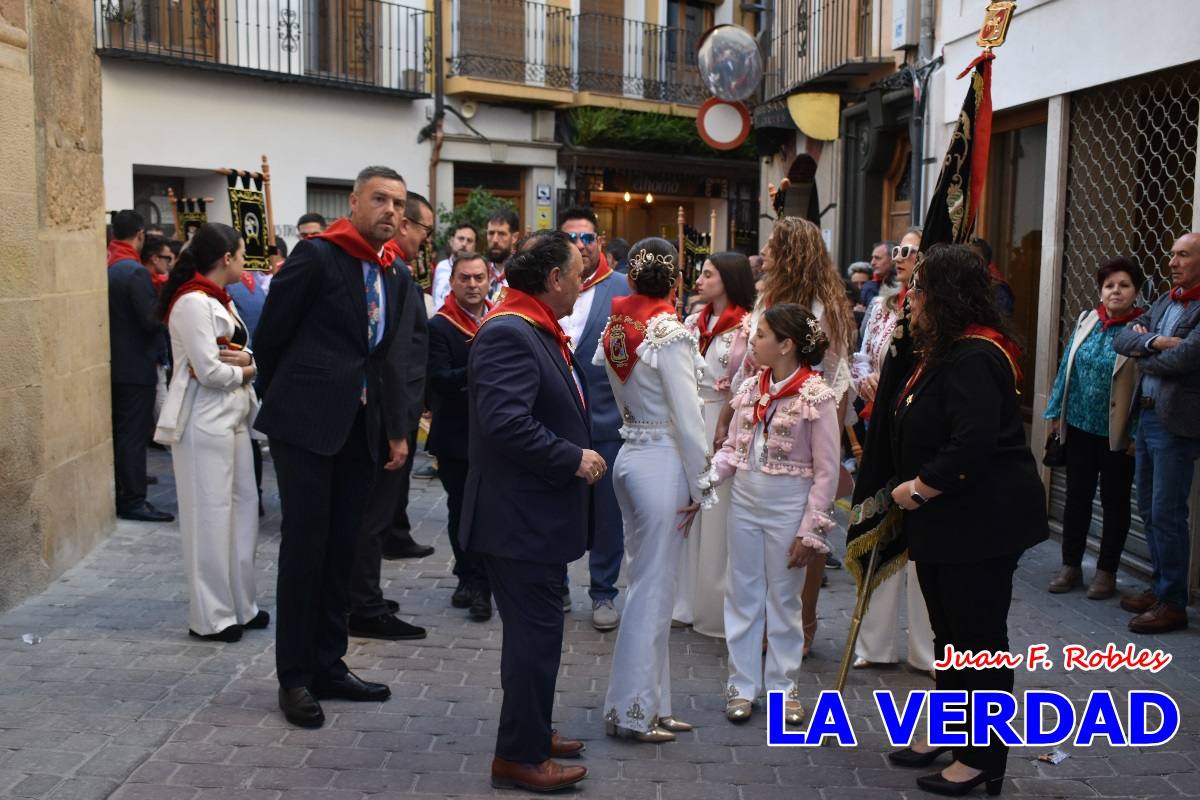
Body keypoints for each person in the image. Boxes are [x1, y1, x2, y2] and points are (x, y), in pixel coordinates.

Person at [253, 166, 419, 729]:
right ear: (354, 201)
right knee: (305, 549)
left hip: (361, 430)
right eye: (379, 199)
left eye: (398, 203)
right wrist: (291, 404)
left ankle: (329, 662)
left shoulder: (394, 273)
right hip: (306, 427)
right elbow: (270, 338)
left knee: (342, 547)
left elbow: (386, 358)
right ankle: (294, 677)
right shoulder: (318, 256)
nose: (390, 211)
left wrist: (396, 428)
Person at [883, 245, 1047, 797]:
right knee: (950, 637)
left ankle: (982, 759)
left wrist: (919, 487)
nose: (913, 299)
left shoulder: (977, 354)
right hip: (946, 523)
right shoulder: (947, 349)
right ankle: (957, 735)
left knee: (977, 641)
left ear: (946, 297)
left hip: (979, 522)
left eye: (922, 290)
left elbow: (972, 442)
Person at [461, 231, 593, 792]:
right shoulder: (510, 333)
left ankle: (533, 731)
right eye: (579, 271)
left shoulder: (528, 325)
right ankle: (518, 755)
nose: (584, 282)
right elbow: (506, 424)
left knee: (537, 636)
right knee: (534, 639)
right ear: (553, 279)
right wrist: (572, 458)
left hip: (532, 514)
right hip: (518, 518)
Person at [721, 216, 856, 655]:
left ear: (793, 254)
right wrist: (733, 409)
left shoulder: (822, 306)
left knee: (808, 520)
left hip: (806, 418)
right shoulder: (768, 297)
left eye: (776, 246)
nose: (768, 253)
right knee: (763, 531)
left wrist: (828, 435)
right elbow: (749, 364)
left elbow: (834, 374)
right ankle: (764, 619)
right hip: (760, 414)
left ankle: (804, 618)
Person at [598, 238, 713, 743]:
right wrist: (703, 484)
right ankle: (632, 711)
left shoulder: (617, 324)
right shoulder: (670, 331)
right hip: (663, 459)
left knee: (650, 586)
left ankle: (653, 703)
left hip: (630, 453)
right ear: (675, 280)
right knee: (652, 591)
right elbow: (690, 419)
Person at [708, 303, 840, 725]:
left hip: (788, 506)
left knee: (784, 600)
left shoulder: (816, 396)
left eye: (762, 335)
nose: (753, 341)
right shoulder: (749, 389)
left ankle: (784, 687)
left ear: (786, 345)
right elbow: (733, 449)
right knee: (742, 594)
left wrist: (811, 530)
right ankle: (741, 684)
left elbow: (827, 472)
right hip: (745, 503)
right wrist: (707, 480)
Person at [153, 223, 266, 643]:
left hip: (232, 415)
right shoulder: (192, 303)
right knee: (208, 517)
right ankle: (211, 616)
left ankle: (241, 604)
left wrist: (242, 362)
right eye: (240, 254)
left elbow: (239, 353)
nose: (244, 262)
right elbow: (211, 369)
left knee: (242, 508)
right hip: (203, 418)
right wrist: (248, 369)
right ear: (225, 259)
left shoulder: (220, 299)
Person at [346, 191, 433, 642]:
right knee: (373, 515)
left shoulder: (396, 271)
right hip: (387, 415)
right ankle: (363, 604)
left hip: (396, 409)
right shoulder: (391, 273)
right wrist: (399, 427)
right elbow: (396, 356)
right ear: (404, 227)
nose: (425, 238)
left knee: (372, 513)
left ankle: (361, 592)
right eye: (423, 229)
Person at [849, 226, 934, 675]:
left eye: (910, 251)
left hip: (919, 434)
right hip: (880, 428)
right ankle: (876, 642)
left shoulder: (937, 315)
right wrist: (865, 380)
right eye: (897, 249)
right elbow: (863, 355)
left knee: (922, 540)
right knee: (878, 524)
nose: (900, 256)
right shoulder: (883, 308)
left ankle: (926, 648)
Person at [1113, 232, 1200, 634]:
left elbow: (1185, 358)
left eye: (1182, 255)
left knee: (1167, 512)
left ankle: (1173, 602)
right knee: (1148, 508)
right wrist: (1154, 341)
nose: (1172, 262)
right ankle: (1160, 584)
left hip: (1175, 423)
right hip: (1146, 418)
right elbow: (1122, 337)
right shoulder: (1167, 299)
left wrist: (1144, 354)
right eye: (1172, 255)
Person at [1044, 257, 1143, 599]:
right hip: (1080, 426)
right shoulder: (1087, 320)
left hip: (1118, 433)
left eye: (1124, 285)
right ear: (1101, 292)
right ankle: (1070, 565)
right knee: (1077, 499)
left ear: (1136, 292)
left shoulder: (1142, 329)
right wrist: (1056, 412)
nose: (1116, 291)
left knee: (1115, 503)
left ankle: (1106, 572)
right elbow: (1065, 367)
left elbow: (1146, 386)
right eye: (1109, 285)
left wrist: (1136, 432)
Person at [558, 207, 633, 630]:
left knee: (607, 516)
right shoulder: (546, 284)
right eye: (572, 238)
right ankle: (557, 585)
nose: (581, 247)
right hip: (557, 422)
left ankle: (603, 591)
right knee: (557, 508)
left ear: (600, 242)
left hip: (606, 422)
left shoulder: (622, 289)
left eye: (587, 238)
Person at [673, 252, 755, 637]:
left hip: (725, 420)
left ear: (729, 279)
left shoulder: (749, 327)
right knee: (687, 507)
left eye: (708, 274)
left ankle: (715, 605)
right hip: (691, 418)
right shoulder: (692, 322)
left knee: (718, 513)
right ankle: (684, 600)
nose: (700, 280)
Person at [428, 251, 493, 621]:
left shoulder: (499, 317)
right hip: (456, 435)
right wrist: (481, 368)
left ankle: (481, 577)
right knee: (461, 509)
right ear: (452, 283)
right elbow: (438, 377)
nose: (472, 285)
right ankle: (471, 579)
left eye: (478, 278)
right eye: (465, 279)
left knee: (488, 509)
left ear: (489, 281)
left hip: (495, 433)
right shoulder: (440, 326)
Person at [107, 209, 174, 523]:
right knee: (133, 437)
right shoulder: (134, 273)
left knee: (124, 435)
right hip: (135, 368)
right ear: (140, 235)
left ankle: (128, 489)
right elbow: (150, 320)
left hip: (119, 365)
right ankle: (133, 500)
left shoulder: (110, 266)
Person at [432, 222, 478, 310]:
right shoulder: (441, 267)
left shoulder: (479, 271)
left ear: (474, 246)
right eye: (461, 239)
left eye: (469, 240)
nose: (464, 244)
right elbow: (435, 299)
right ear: (451, 241)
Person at [971, 238, 1015, 318]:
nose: (968, 261)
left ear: (986, 262)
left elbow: (1000, 322)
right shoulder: (961, 283)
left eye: (974, 257)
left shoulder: (998, 290)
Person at [485, 208, 519, 303]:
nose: (495, 240)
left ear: (514, 237)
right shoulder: (479, 273)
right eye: (491, 233)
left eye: (501, 234)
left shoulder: (524, 274)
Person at [859, 240, 895, 310]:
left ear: (893, 259)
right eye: (872, 258)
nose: (872, 262)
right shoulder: (868, 286)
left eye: (877, 258)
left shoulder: (904, 285)